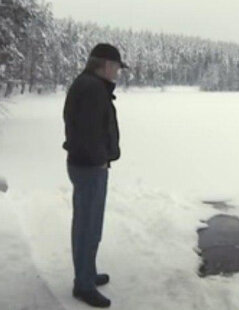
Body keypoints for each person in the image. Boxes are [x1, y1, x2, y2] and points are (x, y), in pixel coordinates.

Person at [62, 43, 128, 308]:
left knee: (89, 225)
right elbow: (88, 133)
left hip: (88, 165)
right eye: (117, 67)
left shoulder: (90, 85)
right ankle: (83, 285)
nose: (117, 73)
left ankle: (87, 273)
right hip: (90, 167)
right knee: (88, 228)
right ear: (105, 65)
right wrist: (100, 160)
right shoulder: (91, 89)